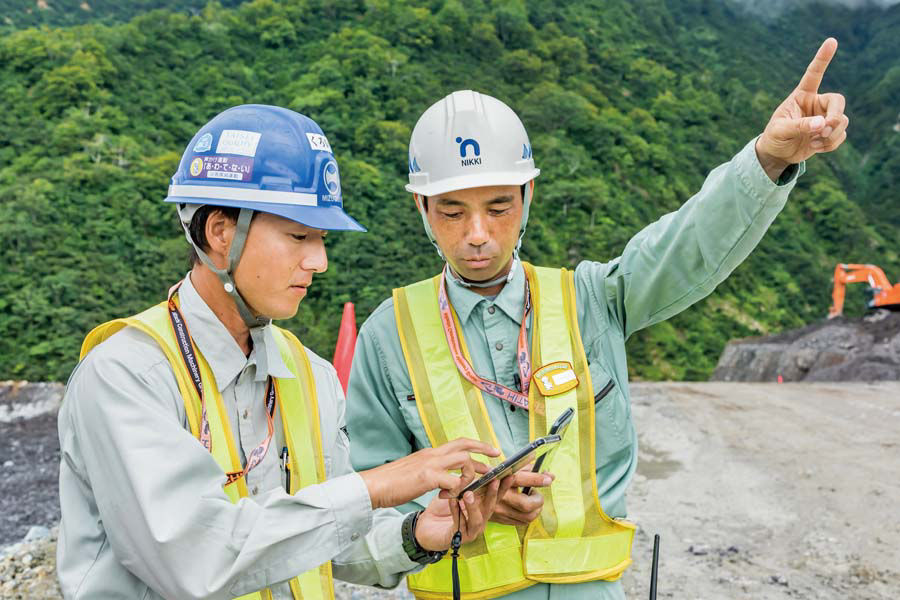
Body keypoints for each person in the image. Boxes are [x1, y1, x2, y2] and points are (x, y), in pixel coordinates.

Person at [347, 39, 848, 599]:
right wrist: (448, 513)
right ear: (421, 208)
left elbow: (685, 245)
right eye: (452, 211)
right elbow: (364, 503)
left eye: (498, 207)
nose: (478, 234)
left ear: (528, 196)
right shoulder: (389, 337)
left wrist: (769, 157)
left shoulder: (592, 299)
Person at [57, 104, 509, 600]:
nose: (318, 261)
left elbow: (326, 539)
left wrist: (419, 532)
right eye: (298, 236)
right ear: (221, 234)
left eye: (320, 238)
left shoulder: (309, 376)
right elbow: (193, 560)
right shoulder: (127, 376)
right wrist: (375, 486)